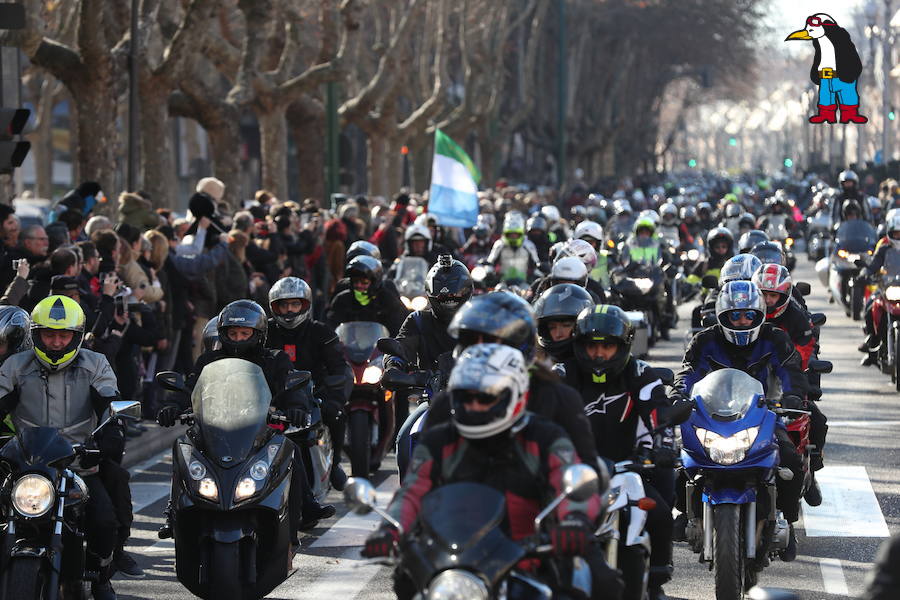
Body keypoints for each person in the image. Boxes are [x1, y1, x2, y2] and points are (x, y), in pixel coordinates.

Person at [364, 343, 617, 600]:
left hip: (530, 558)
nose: (475, 404)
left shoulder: (544, 437)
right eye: (466, 395)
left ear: (513, 394)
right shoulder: (440, 439)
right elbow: (413, 491)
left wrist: (574, 520)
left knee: (602, 585)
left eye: (486, 396)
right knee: (406, 582)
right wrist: (389, 529)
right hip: (455, 560)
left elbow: (569, 481)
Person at [156, 300, 334, 539]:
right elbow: (190, 389)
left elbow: (293, 388)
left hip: (261, 430)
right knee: (183, 448)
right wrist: (172, 406)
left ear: (258, 334)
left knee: (290, 449)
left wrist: (296, 408)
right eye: (233, 333)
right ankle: (173, 512)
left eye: (244, 333)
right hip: (214, 428)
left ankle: (308, 504)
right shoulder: (209, 361)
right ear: (223, 334)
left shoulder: (275, 359)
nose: (238, 339)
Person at [0, 296, 123, 600]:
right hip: (27, 465)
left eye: (63, 335)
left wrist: (109, 439)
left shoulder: (96, 364)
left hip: (77, 464)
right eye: (49, 335)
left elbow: (111, 406)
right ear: (36, 335)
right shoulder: (15, 366)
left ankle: (99, 575)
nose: (55, 343)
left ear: (76, 336)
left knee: (106, 517)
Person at [674, 280, 806, 561]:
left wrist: (794, 397)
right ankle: (684, 512)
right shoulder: (705, 340)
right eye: (735, 315)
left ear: (759, 314)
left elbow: (791, 371)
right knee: (677, 462)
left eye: (748, 314)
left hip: (763, 415)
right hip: (712, 417)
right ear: (723, 315)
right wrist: (678, 397)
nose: (743, 321)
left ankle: (788, 519)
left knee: (791, 460)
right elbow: (687, 373)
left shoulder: (775, 338)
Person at [558, 304, 676, 600]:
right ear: (579, 346)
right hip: (571, 473)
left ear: (622, 346)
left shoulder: (641, 373)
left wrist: (663, 445)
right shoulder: (560, 375)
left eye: (608, 347)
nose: (599, 354)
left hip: (628, 468)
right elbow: (540, 418)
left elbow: (658, 413)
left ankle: (655, 581)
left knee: (661, 514)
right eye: (591, 346)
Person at [751, 263, 828, 505]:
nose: (768, 300)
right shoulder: (745, 314)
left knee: (816, 420)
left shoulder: (795, 316)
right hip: (751, 380)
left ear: (783, 296)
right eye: (763, 294)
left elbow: (805, 348)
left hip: (786, 377)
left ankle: (812, 468)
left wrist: (795, 374)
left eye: (773, 295)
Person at [266, 277, 352, 490]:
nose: (289, 310)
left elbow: (339, 367)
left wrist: (335, 397)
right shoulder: (265, 333)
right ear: (274, 307)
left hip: (314, 395)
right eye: (283, 305)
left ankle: (334, 464)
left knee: (336, 414)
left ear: (305, 305)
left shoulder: (321, 332)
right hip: (271, 396)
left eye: (295, 304)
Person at [326, 255, 408, 335]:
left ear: (374, 283)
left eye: (364, 282)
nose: (359, 285)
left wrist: (392, 344)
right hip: (348, 347)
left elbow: (399, 329)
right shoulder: (342, 300)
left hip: (380, 347)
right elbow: (331, 326)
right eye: (355, 281)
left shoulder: (388, 300)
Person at [534, 283, 595, 364]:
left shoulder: (597, 359)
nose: (558, 334)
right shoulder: (537, 363)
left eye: (566, 325)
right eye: (552, 327)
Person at [485, 211, 542, 283]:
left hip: (524, 284)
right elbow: (490, 261)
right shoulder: (499, 244)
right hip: (502, 283)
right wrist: (489, 272)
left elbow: (537, 264)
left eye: (516, 234)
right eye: (510, 234)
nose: (513, 236)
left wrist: (536, 276)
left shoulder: (528, 245)